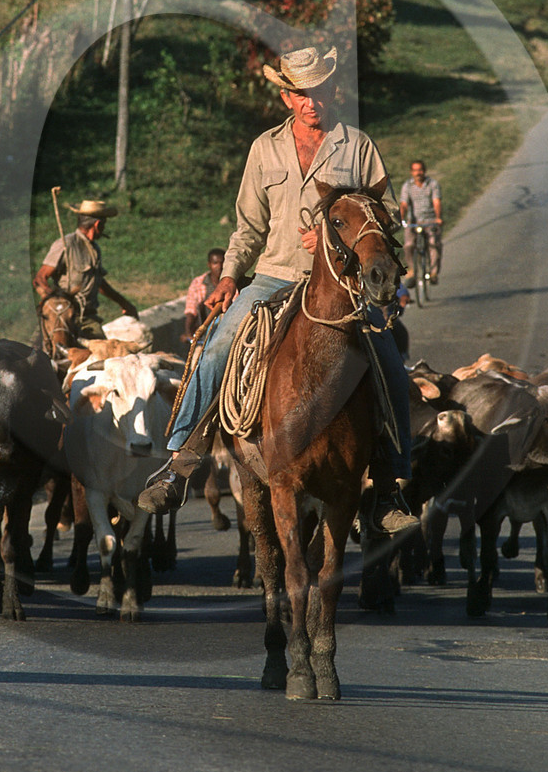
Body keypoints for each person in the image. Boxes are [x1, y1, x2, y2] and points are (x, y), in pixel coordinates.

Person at [136, 45, 418, 534]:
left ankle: (390, 487)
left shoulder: (357, 146)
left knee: (391, 364)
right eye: (302, 94)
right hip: (274, 275)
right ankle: (181, 461)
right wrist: (229, 277)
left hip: (343, 285)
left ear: (332, 91)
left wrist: (337, 233)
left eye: (321, 92)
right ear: (287, 96)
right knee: (217, 343)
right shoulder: (264, 148)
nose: (313, 102)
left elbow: (387, 212)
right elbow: (248, 227)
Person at [33, 199, 138, 341]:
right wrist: (53, 300)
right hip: (63, 317)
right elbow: (40, 279)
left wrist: (124, 303)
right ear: (97, 225)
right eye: (104, 224)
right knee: (39, 352)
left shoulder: (94, 249)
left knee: (103, 356)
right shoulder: (66, 244)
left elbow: (99, 283)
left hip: (87, 319)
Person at [399, 159, 443, 287]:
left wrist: (438, 217)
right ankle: (412, 270)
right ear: (411, 172)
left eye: (420, 170)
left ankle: (433, 273)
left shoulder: (432, 184)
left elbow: (436, 202)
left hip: (430, 220)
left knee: (434, 244)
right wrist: (402, 219)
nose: (418, 173)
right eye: (415, 170)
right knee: (408, 245)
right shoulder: (407, 186)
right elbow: (404, 204)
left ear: (424, 171)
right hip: (413, 221)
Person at [182, 248, 226, 346]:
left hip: (228, 331)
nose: (219, 267)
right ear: (209, 265)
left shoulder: (231, 283)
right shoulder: (198, 283)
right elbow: (191, 310)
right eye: (215, 263)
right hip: (206, 335)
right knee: (196, 359)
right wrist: (188, 333)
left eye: (222, 263)